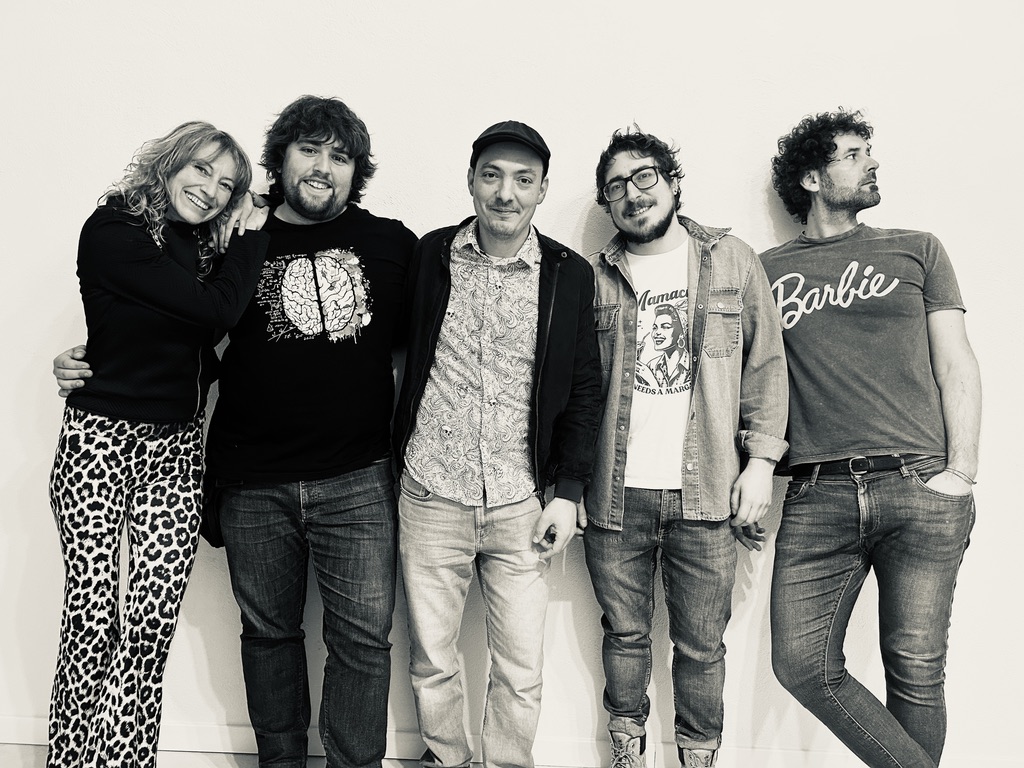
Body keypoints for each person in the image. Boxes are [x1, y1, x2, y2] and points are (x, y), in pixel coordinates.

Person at [53, 96, 417, 768]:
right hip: (250, 478)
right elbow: (173, 318)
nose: (323, 166)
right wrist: (88, 359)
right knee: (263, 636)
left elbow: (424, 348)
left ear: (357, 171)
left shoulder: (393, 243)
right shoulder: (227, 235)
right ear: (280, 158)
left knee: (363, 642)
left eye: (340, 156)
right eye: (309, 149)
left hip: (356, 478)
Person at [762, 109, 981, 768]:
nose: (873, 163)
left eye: (869, 152)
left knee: (915, 668)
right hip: (817, 491)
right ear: (811, 177)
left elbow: (956, 361)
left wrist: (961, 472)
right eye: (854, 154)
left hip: (920, 482)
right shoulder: (764, 272)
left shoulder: (917, 249)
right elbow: (745, 381)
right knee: (801, 665)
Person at [48, 121, 268, 768]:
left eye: (226, 185)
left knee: (149, 627)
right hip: (97, 441)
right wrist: (251, 238)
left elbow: (190, 341)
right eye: (201, 169)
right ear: (169, 163)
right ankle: (71, 761)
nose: (210, 190)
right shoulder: (114, 228)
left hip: (174, 450)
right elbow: (213, 312)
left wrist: (246, 215)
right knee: (93, 621)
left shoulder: (203, 248)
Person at [391, 120, 603, 768]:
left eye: (522, 180)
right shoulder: (430, 255)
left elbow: (584, 388)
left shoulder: (569, 274)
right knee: (433, 660)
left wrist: (568, 492)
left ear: (542, 190)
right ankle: (447, 759)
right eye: (492, 176)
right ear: (471, 181)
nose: (505, 193)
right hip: (431, 491)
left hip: (520, 502)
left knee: (521, 669)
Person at [583, 127, 789, 768]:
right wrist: (569, 482)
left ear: (673, 182)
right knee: (624, 637)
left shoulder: (732, 260)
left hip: (707, 494)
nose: (632, 193)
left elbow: (766, 367)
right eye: (615, 186)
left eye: (644, 176)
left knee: (702, 647)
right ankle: (627, 752)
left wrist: (761, 464)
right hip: (615, 496)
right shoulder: (595, 278)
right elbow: (578, 392)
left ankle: (698, 758)